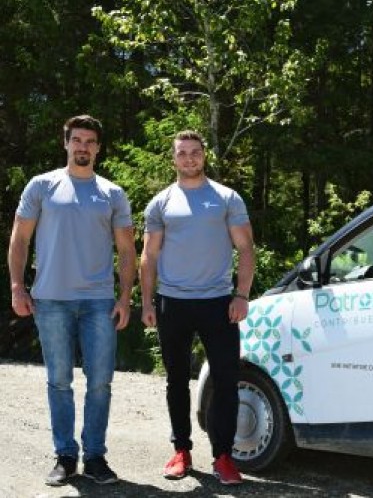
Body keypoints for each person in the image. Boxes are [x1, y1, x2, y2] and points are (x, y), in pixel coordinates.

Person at [7, 115, 136, 486]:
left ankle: (95, 456)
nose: (83, 146)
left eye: (90, 141)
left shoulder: (112, 193)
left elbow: (127, 251)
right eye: (76, 140)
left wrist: (125, 298)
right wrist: (18, 286)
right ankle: (65, 456)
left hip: (98, 302)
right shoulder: (42, 186)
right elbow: (19, 239)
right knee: (59, 382)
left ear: (98, 147)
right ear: (66, 144)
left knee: (100, 383)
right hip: (50, 301)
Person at [140, 130, 254, 485]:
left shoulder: (225, 198)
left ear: (204, 156)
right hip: (173, 303)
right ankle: (181, 451)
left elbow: (246, 248)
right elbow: (149, 255)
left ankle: (223, 456)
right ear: (173, 159)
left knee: (225, 380)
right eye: (182, 153)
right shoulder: (161, 203)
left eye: (195, 152)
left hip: (218, 304)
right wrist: (146, 302)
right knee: (176, 380)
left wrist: (241, 295)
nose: (189, 158)